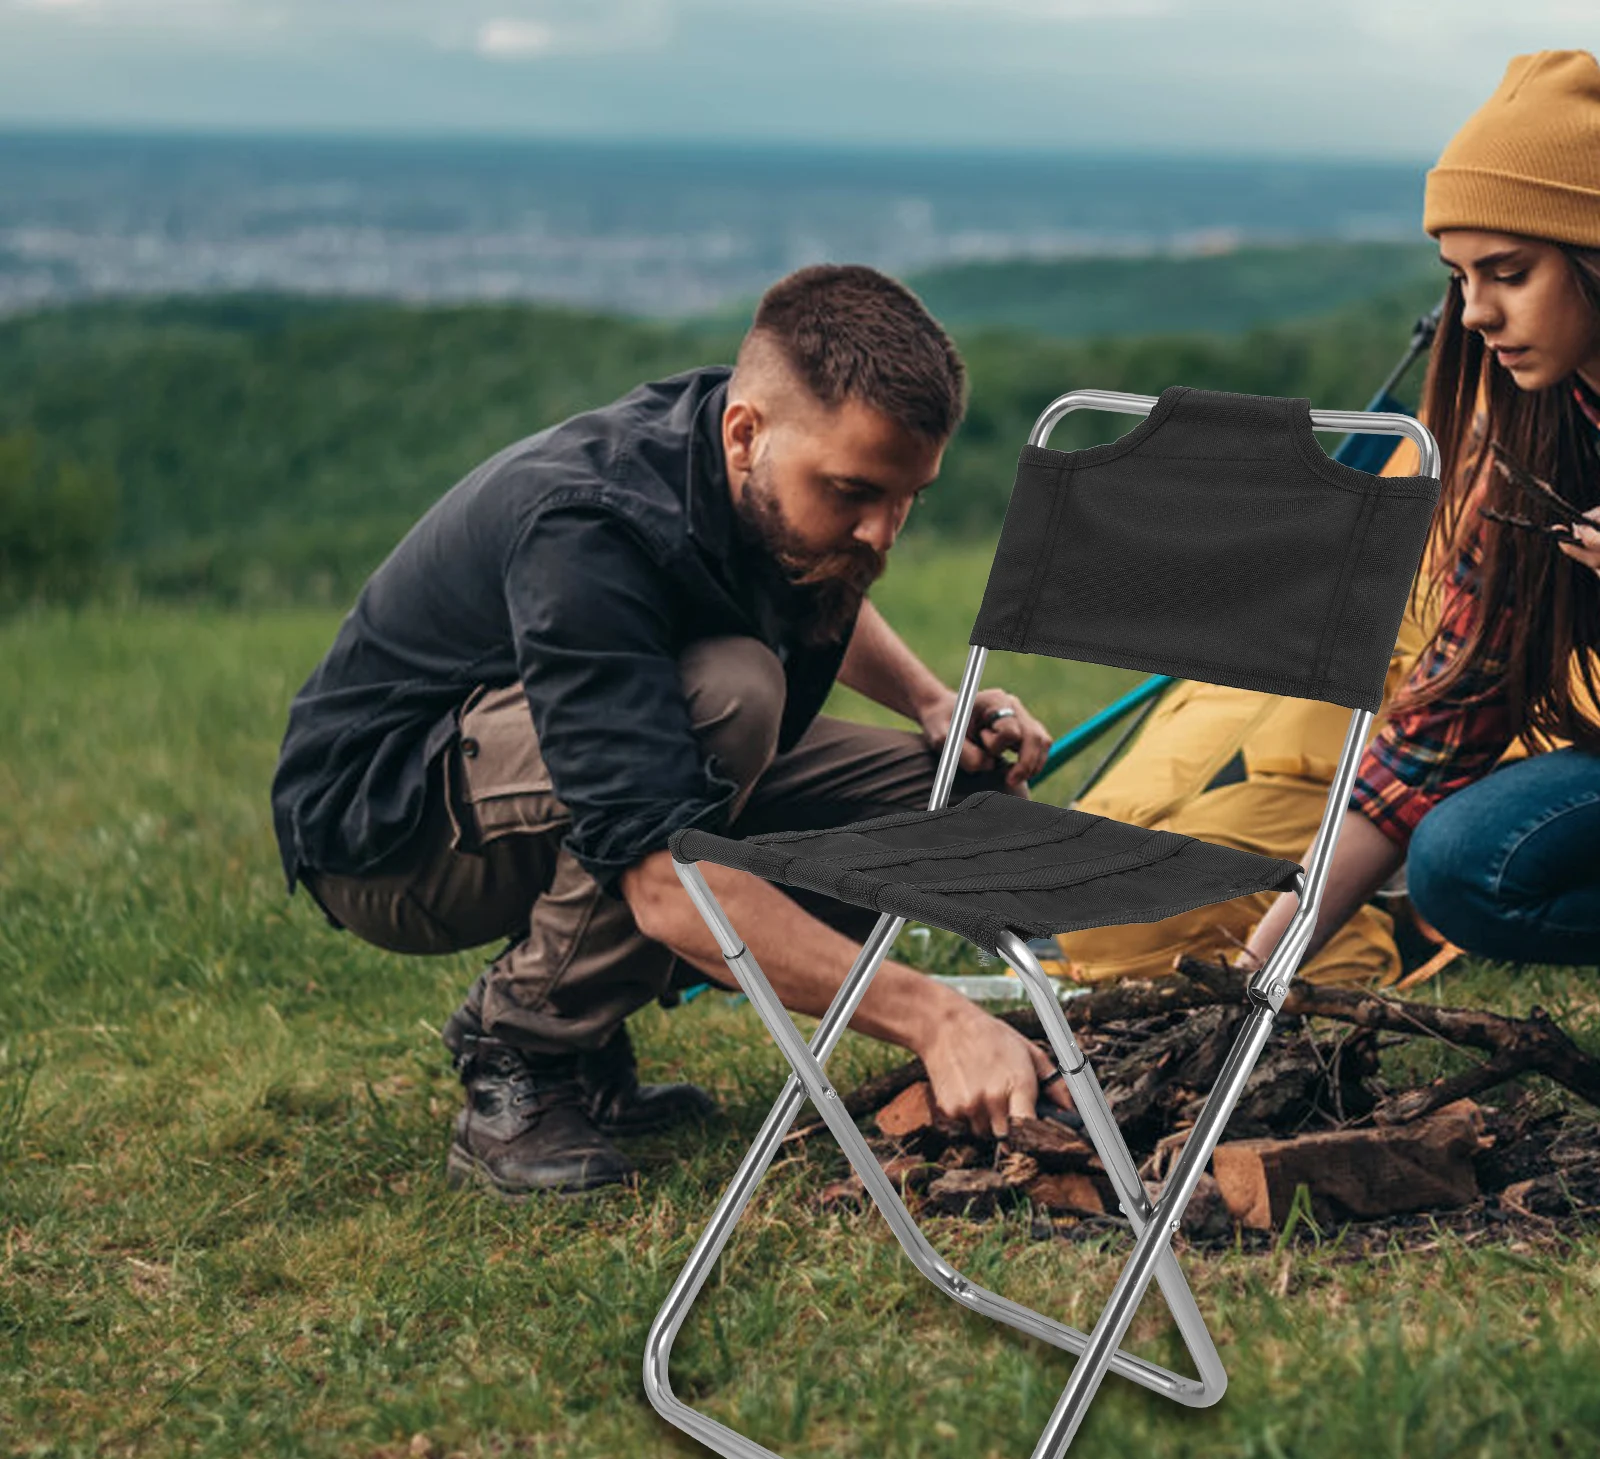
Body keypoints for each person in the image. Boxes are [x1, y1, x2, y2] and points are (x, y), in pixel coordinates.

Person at [272, 264, 1070, 1199]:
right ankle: (522, 1054)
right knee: (733, 700)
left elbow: (817, 576)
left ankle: (590, 1037)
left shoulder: (752, 464)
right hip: (389, 832)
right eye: (854, 490)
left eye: (907, 498)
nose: (882, 534)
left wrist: (931, 701)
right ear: (747, 434)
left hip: (566, 762)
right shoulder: (592, 526)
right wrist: (933, 1018)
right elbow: (663, 879)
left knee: (938, 806)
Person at [1243, 50, 1600, 977]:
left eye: (1509, 273)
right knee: (1464, 859)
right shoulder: (1533, 439)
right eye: (1459, 278)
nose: (1474, 313)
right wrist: (1278, 946)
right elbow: (1455, 710)